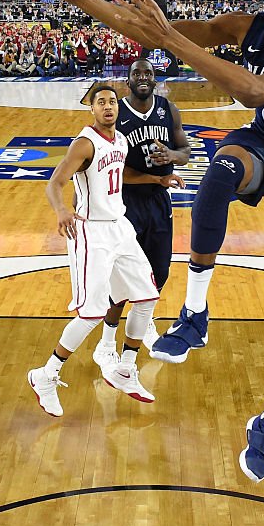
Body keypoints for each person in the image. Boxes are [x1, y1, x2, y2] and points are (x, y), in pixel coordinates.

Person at [42, 0, 264, 482]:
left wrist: (168, 36)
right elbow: (143, 28)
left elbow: (256, 91)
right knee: (220, 170)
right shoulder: (250, 25)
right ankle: (195, 314)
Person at [27, 85, 167, 415]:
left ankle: (125, 368)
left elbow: (119, 175)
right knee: (91, 314)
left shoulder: (120, 140)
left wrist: (156, 180)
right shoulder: (84, 143)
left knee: (147, 296)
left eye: (112, 102)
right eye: (100, 102)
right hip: (91, 232)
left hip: (120, 227)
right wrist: (62, 209)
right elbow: (55, 182)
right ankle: (46, 375)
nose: (108, 106)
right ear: (91, 109)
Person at [92, 59, 191, 364]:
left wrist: (171, 155)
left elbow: (185, 152)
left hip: (159, 201)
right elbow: (111, 168)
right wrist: (155, 176)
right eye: (137, 74)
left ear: (155, 77)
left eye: (148, 73)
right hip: (125, 203)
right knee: (121, 279)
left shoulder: (168, 109)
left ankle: (143, 319)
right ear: (129, 80)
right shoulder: (117, 114)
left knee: (159, 271)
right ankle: (107, 342)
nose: (143, 78)